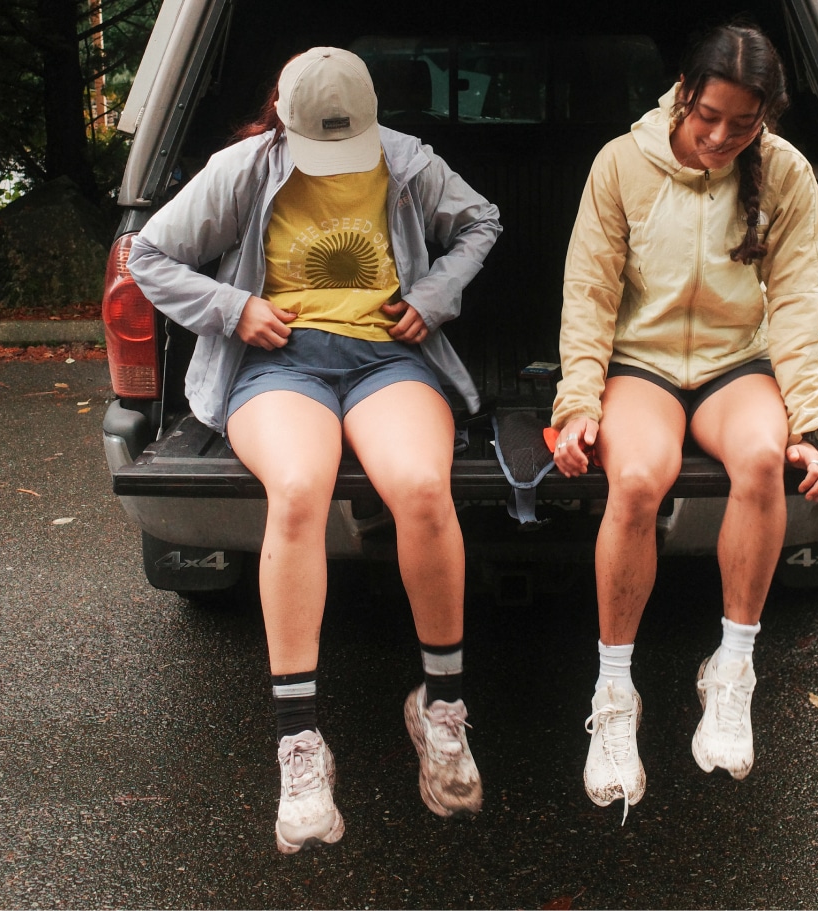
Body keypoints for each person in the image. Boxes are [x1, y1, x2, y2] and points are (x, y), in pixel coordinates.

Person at [127, 47, 501, 852]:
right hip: (277, 361)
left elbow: (481, 220)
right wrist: (231, 307)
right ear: (284, 120)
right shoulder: (243, 167)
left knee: (423, 490)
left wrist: (433, 296)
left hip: (386, 358)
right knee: (299, 487)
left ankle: (442, 709)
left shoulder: (405, 161)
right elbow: (148, 256)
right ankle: (299, 743)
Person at [549, 24, 818, 823]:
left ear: (764, 119)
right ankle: (615, 694)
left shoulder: (783, 174)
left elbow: (796, 302)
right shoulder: (621, 163)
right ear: (684, 91)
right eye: (709, 115)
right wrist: (578, 405)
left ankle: (733, 669)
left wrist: (806, 425)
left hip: (733, 366)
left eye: (741, 125)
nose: (719, 137)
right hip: (640, 366)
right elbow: (590, 297)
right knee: (637, 478)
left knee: (759, 459)